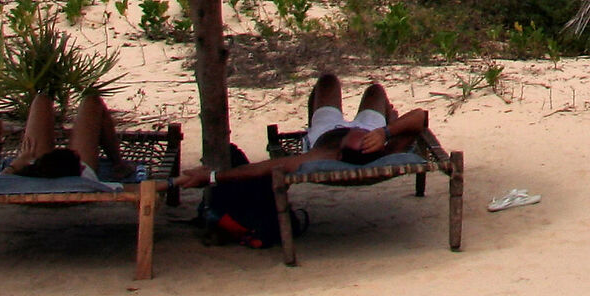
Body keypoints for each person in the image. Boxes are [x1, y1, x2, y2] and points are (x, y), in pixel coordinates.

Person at [176, 75, 431, 191]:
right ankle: (389, 113)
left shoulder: (323, 154)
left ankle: (313, 118)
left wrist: (212, 177)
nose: (355, 133)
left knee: (327, 82)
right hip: (376, 127)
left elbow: (266, 167)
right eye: (360, 137)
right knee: (375, 91)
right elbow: (420, 116)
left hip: (324, 131)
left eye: (355, 138)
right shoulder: (380, 144)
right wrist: (385, 132)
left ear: (341, 153)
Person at [8, 92, 129, 182]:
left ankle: (118, 164)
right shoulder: (81, 183)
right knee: (92, 101)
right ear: (81, 168)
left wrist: (17, 164)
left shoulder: (24, 188)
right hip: (69, 173)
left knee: (41, 99)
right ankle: (118, 164)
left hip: (39, 176)